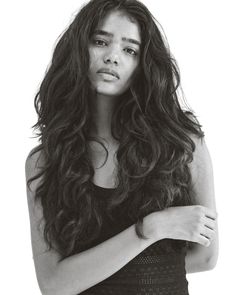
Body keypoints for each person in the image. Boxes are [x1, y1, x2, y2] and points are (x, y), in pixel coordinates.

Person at [25, 0, 218, 294]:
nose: (112, 56)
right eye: (101, 42)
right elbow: (54, 285)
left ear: (143, 66)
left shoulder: (184, 145)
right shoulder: (45, 160)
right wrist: (150, 230)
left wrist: (91, 269)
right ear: (79, 50)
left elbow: (206, 256)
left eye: (130, 50)